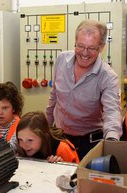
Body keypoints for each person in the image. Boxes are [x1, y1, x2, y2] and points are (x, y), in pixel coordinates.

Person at [45, 19, 122, 160]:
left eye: (91, 48)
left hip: (89, 144)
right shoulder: (62, 60)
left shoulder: (108, 76)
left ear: (101, 47)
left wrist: (112, 140)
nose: (84, 53)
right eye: (80, 46)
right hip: (59, 139)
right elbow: (54, 97)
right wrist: (45, 128)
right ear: (75, 42)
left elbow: (112, 111)